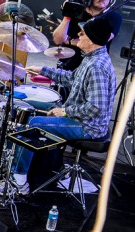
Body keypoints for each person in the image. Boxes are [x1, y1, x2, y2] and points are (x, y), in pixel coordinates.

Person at [14, 17, 117, 194]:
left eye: (83, 33)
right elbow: (70, 78)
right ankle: (26, 164)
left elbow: (96, 108)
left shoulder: (97, 67)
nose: (78, 34)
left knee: (33, 123)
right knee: (24, 103)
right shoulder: (91, 58)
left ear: (92, 39)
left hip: (88, 126)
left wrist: (65, 111)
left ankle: (19, 180)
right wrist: (42, 69)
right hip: (79, 117)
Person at [52, 0, 122, 72]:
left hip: (92, 68)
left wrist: (69, 41)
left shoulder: (113, 17)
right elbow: (58, 40)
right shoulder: (77, 11)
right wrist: (67, 15)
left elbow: (97, 41)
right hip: (67, 64)